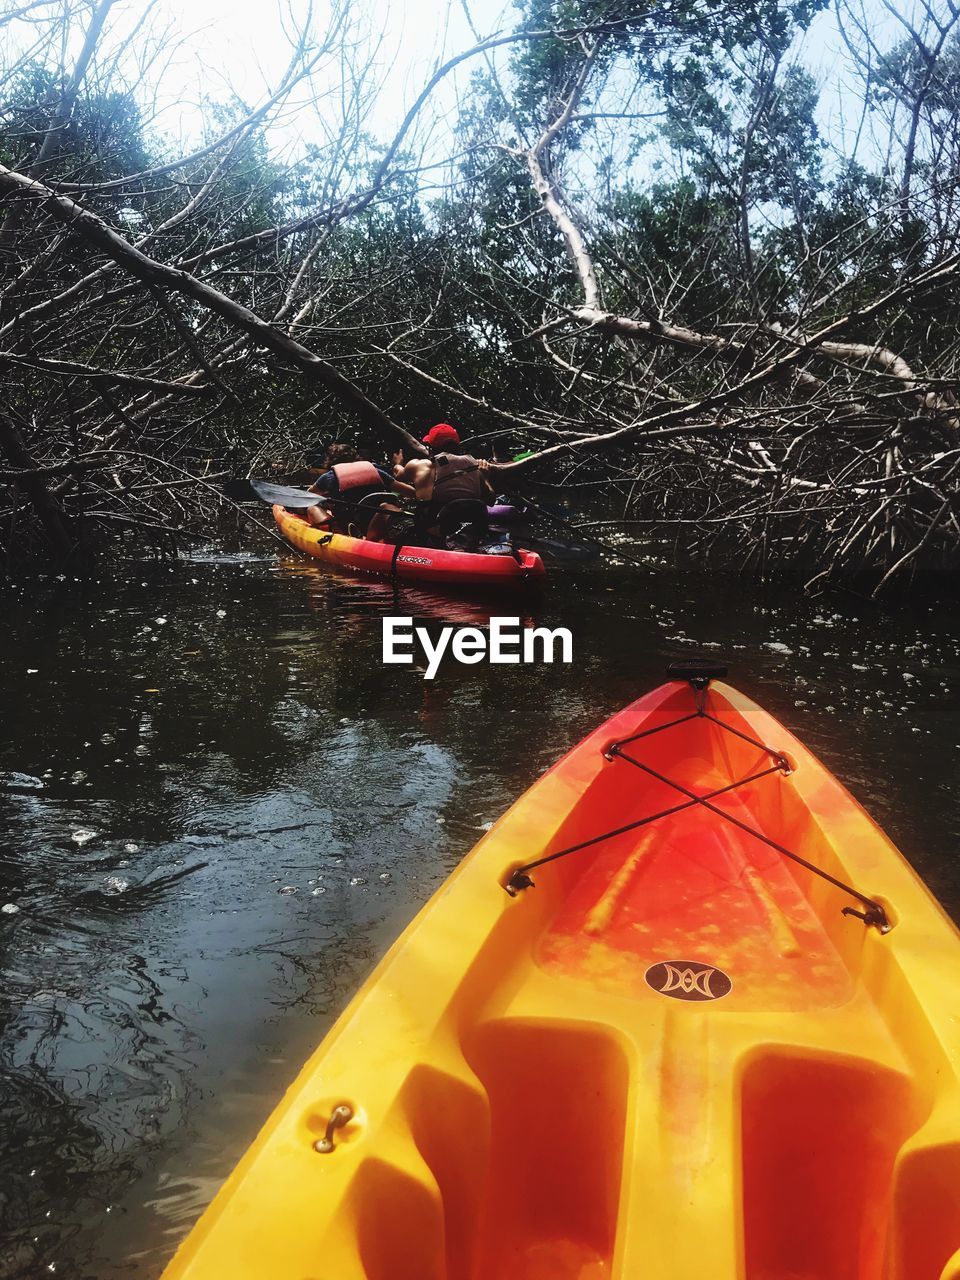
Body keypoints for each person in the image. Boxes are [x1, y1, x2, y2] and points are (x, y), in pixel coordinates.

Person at [398, 423, 496, 548]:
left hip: (436, 532)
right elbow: (491, 501)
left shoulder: (420, 465)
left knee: (388, 509)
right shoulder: (474, 466)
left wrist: (397, 463)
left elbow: (399, 476)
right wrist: (485, 477)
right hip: (472, 530)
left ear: (430, 448)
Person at [304, 443, 410, 535]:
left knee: (312, 508)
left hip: (352, 523)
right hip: (379, 519)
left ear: (331, 461)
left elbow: (308, 497)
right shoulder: (376, 470)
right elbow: (409, 491)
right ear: (356, 457)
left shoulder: (329, 476)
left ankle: (335, 531)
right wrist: (398, 465)